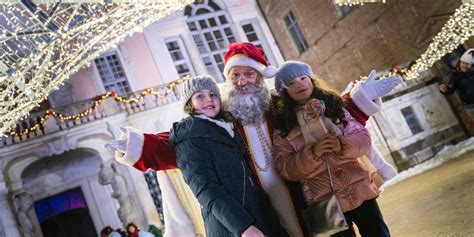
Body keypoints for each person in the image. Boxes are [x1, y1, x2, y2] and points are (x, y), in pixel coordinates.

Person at [106, 42, 400, 237]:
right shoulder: (222, 115)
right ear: (228, 79)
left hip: (296, 186)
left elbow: (322, 110)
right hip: (253, 199)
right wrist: (140, 145)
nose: (244, 80)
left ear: (261, 78)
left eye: (250, 74)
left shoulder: (278, 106)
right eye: (237, 75)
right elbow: (184, 139)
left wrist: (360, 98)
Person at [272, 61, 390, 237]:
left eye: (303, 77)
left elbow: (363, 138)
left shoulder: (334, 107)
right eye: (290, 83)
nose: (299, 84)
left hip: (360, 190)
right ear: (284, 91)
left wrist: (343, 144)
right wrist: (313, 153)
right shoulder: (283, 126)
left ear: (311, 79)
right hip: (324, 202)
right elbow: (285, 168)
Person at [171, 75, 288, 237]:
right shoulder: (190, 137)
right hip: (232, 227)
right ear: (189, 104)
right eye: (200, 96)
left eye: (213, 94)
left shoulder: (227, 127)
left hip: (259, 215)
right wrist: (242, 227)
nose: (209, 100)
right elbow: (206, 189)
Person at [439, 48, 474, 116]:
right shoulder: (456, 76)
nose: (464, 65)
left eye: (467, 64)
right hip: (470, 106)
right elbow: (450, 89)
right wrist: (445, 89)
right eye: (462, 62)